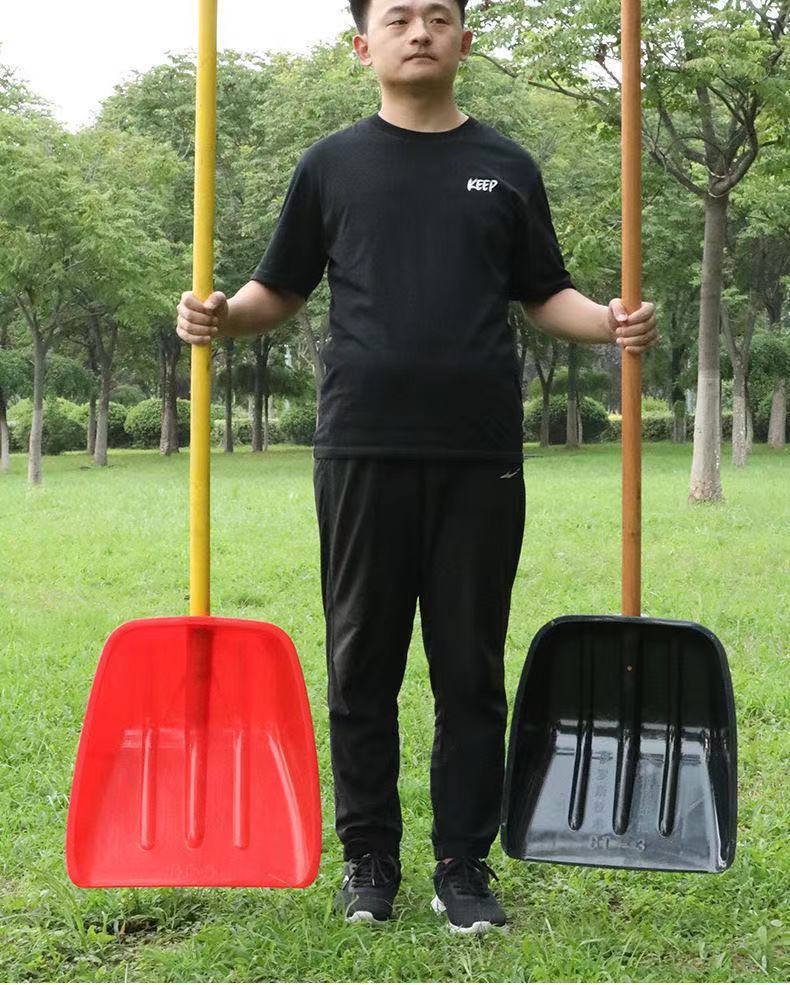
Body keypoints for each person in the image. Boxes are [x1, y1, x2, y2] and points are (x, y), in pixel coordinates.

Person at [176, 0, 658, 935]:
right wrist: (222, 315)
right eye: (398, 18)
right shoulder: (330, 165)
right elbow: (278, 288)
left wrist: (610, 322)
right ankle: (369, 858)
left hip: (480, 452)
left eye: (439, 15)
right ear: (365, 46)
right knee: (361, 661)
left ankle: (462, 864)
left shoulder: (508, 165)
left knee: (469, 666)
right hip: (361, 446)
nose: (420, 30)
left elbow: (545, 292)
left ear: (465, 41)